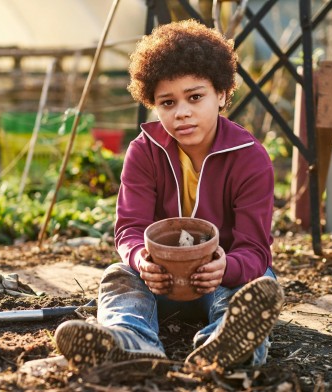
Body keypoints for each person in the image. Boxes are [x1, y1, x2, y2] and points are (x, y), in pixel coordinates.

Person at [54, 19, 284, 369]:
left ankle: (226, 346)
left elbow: (254, 249)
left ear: (221, 93)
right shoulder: (144, 151)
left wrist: (226, 268)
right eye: (167, 102)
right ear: (154, 104)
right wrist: (140, 260)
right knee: (119, 276)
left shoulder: (249, 157)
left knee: (259, 283)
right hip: (158, 280)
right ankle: (130, 341)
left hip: (221, 278)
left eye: (195, 97)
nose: (182, 112)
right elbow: (129, 228)